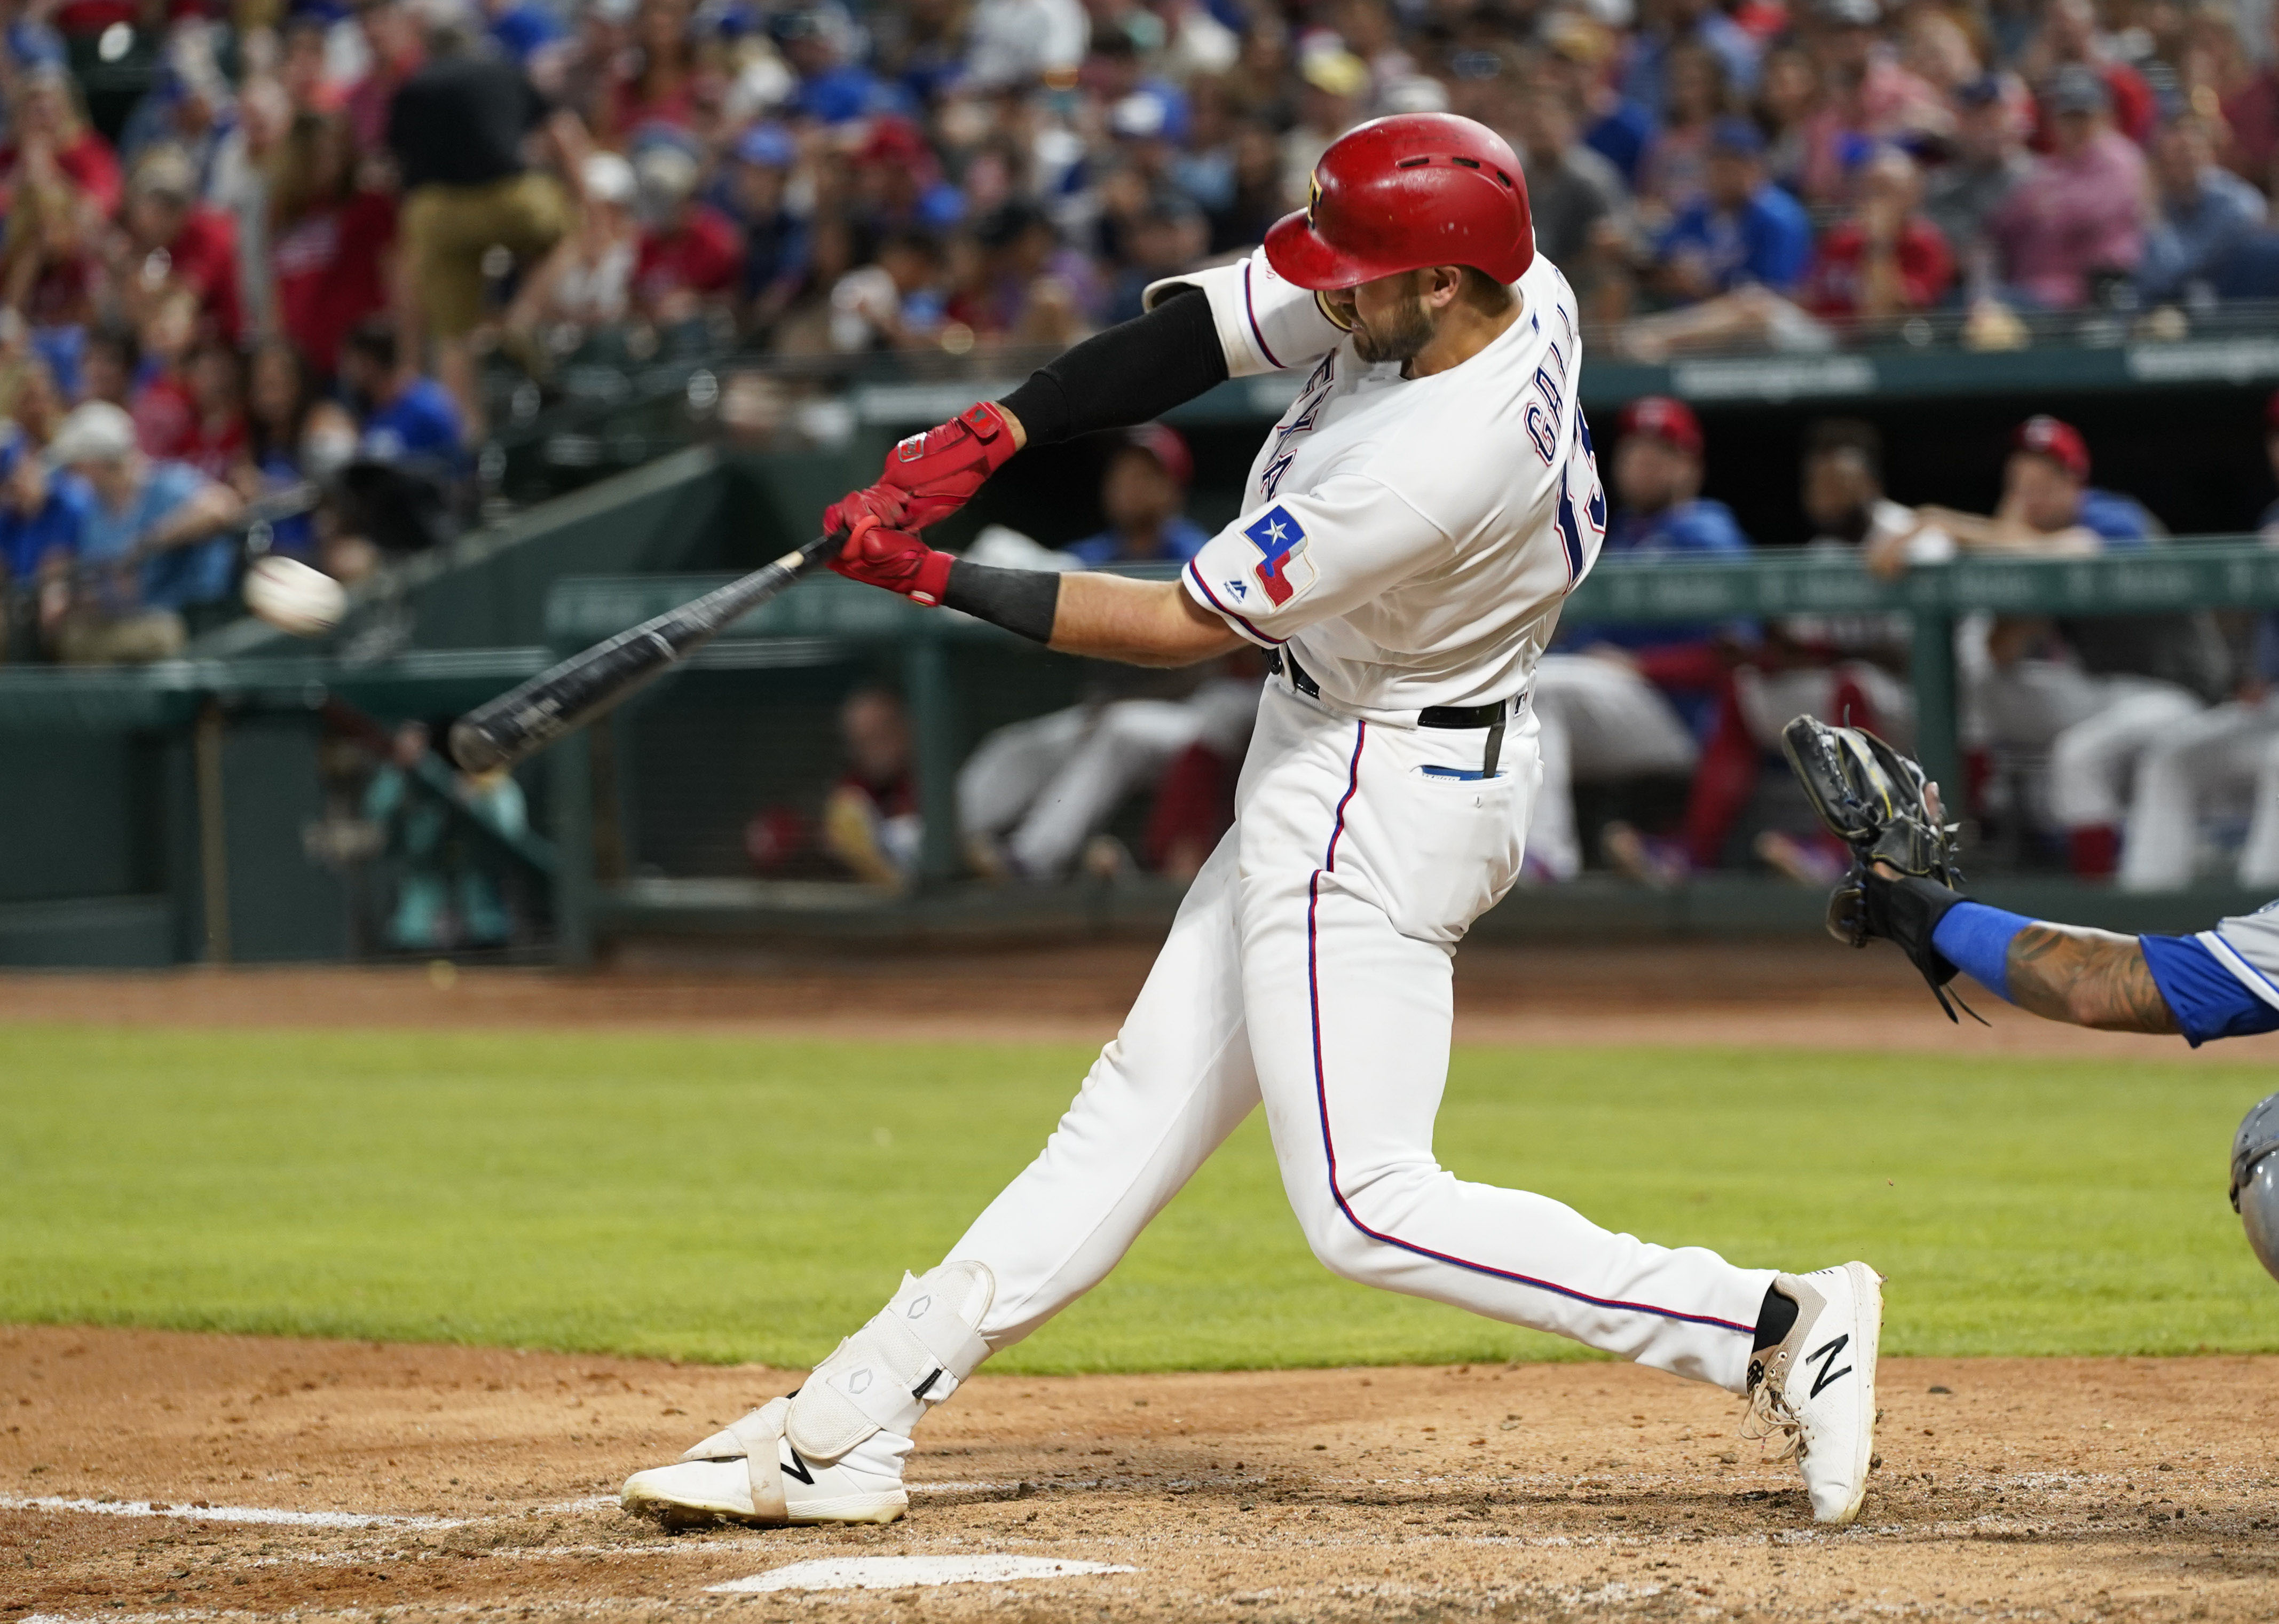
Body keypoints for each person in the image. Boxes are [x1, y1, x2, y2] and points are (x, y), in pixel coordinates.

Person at [618, 112, 1883, 1536]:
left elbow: (1170, 624)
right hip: (1364, 742)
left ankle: (1773, 1324)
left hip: (1378, 780)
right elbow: (1195, 336)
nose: (1329, 292)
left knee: (1364, 1203)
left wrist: (925, 573)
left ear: (1444, 284)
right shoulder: (1506, 286)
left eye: (1360, 276)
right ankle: (854, 1414)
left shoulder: (1425, 457)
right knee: (1126, 1119)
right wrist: (999, 428)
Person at [1913, 415, 2223, 874]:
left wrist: (1953, 527)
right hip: (2106, 691)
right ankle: (1974, 817)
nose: (2030, 496)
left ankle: (2105, 908)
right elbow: (2000, 650)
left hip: (2179, 695)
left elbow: (2069, 553)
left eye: (2041, 483)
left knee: (2078, 756)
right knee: (1977, 659)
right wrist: (2006, 539)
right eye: (2018, 485)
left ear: (2073, 483)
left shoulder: (2113, 516)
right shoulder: (2030, 541)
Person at [46, 398, 243, 664]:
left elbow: (224, 505)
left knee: (155, 636)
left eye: (78, 465)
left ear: (96, 463)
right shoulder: (95, 513)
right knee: (75, 637)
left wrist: (153, 541)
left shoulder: (166, 483)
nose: (75, 475)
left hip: (185, 619)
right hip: (126, 620)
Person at [1984, 65, 2147, 309]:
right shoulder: (2048, 167)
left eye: (2084, 116)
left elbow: (2094, 214)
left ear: (2104, 117)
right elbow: (2004, 224)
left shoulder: (2119, 158)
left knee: (1996, 313)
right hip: (2030, 288)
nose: (2077, 127)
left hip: (2085, 293)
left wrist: (2051, 207)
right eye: (2068, 117)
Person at [2135, 113, 2268, 307]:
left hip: (2232, 308)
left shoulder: (2234, 203)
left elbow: (2175, 270)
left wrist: (2153, 214)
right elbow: (2150, 279)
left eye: (2192, 150)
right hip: (2177, 304)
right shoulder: (2163, 200)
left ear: (2211, 154)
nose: (2186, 160)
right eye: (2175, 153)